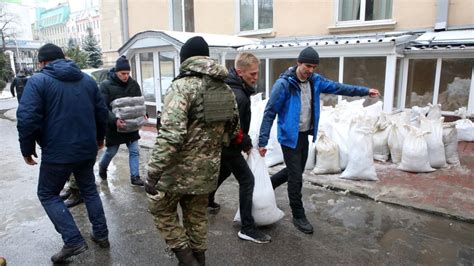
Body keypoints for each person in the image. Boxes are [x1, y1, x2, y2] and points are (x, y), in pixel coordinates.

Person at [258, 47, 380, 234]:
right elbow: (269, 113)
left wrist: (365, 91)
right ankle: (298, 215)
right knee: (296, 177)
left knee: (294, 170)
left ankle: (268, 185)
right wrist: (263, 141)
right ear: (299, 63)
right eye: (308, 65)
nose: (311, 70)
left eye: (314, 67)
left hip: (304, 135)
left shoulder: (315, 81)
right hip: (289, 137)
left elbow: (340, 87)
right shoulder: (284, 85)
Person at [145, 36, 239, 266]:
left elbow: (171, 134)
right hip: (207, 169)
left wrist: (154, 171)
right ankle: (198, 260)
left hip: (177, 170)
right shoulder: (225, 89)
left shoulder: (182, 86)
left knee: (160, 208)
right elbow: (233, 128)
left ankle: (187, 260)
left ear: (184, 59)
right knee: (196, 218)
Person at [16, 43, 110, 263]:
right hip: (86, 149)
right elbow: (101, 113)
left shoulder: (38, 81)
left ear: (42, 62)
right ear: (63, 58)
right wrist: (99, 139)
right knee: (89, 190)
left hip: (58, 153)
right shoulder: (87, 80)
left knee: (47, 194)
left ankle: (73, 240)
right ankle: (101, 234)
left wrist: (27, 149)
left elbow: (27, 119)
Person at [207, 52, 271, 244]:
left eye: (257, 73)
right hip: (229, 145)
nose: (256, 77)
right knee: (247, 180)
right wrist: (247, 145)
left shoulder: (232, 87)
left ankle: (206, 200)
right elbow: (234, 128)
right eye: (252, 74)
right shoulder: (238, 96)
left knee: (223, 172)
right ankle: (247, 228)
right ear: (240, 72)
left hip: (224, 143)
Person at [98, 55, 145, 186]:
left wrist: (144, 114)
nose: (126, 76)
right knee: (111, 152)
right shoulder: (105, 86)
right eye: (123, 73)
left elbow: (138, 104)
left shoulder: (133, 84)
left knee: (134, 151)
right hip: (114, 127)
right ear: (116, 72)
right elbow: (102, 107)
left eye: (127, 73)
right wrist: (114, 120)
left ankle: (135, 177)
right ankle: (102, 167)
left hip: (131, 126)